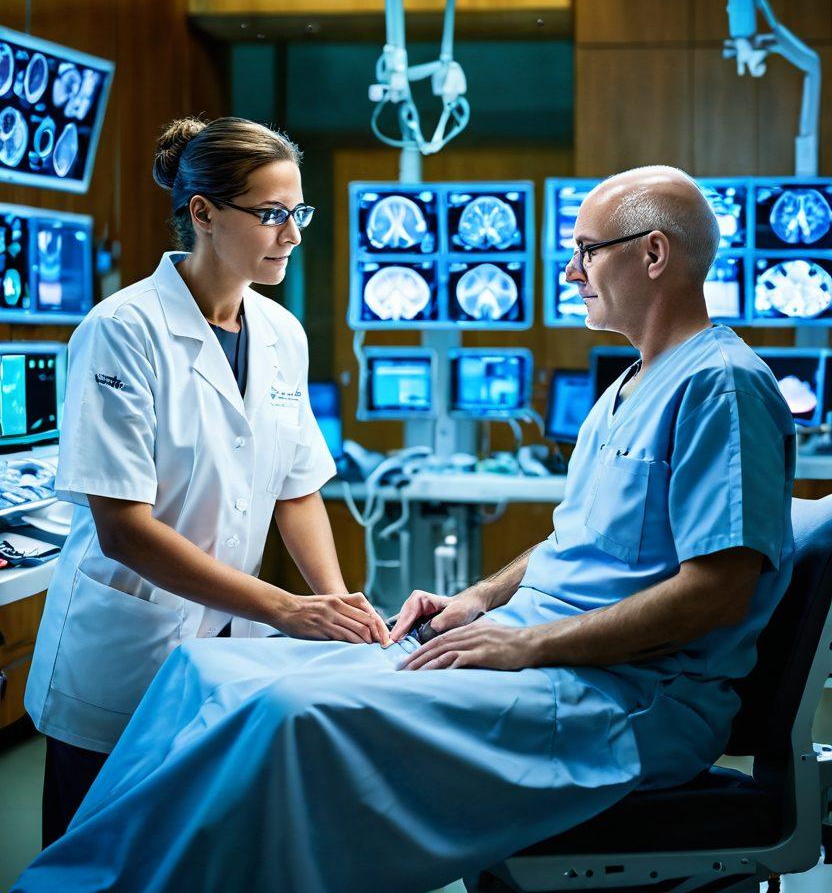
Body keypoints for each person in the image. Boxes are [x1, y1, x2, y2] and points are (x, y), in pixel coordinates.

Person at [15, 165, 795, 893]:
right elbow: (575, 541)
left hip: (622, 692)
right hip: (534, 647)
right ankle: (80, 879)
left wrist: (526, 644)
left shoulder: (720, 386)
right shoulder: (628, 385)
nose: (568, 272)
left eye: (585, 252)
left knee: (288, 718)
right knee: (209, 675)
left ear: (653, 253)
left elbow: (718, 593)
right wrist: (481, 602)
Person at [24, 115, 388, 847]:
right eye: (272, 215)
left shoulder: (282, 334)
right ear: (204, 214)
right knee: (95, 856)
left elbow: (298, 488)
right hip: (129, 648)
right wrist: (286, 610)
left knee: (196, 850)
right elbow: (124, 530)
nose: (292, 234)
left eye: (298, 212)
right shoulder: (122, 329)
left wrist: (332, 599)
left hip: (226, 643)